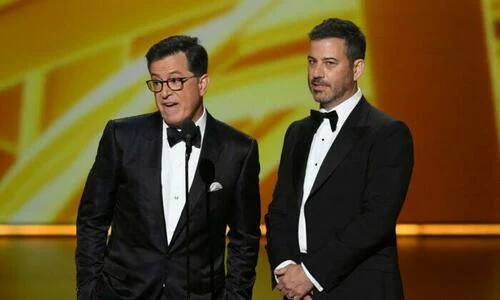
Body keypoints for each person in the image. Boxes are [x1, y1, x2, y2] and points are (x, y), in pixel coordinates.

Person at [76, 35, 261, 300]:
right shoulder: (122, 137)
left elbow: (245, 240)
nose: (164, 92)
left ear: (203, 83)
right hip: (122, 293)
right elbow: (92, 220)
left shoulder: (238, 150)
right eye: (157, 82)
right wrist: (89, 290)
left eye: (175, 80)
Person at [265, 18, 414, 300]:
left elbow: (375, 220)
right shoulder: (297, 132)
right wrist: (287, 270)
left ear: (357, 68)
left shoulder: (388, 133)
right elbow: (280, 209)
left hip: (360, 288)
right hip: (298, 292)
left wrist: (310, 275)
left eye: (329, 63)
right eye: (312, 62)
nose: (316, 73)